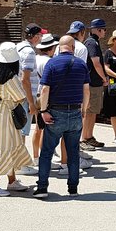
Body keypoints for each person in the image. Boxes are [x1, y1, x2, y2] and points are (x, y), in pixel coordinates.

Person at [35, 36, 90, 198]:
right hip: (74, 112)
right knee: (73, 152)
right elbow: (86, 90)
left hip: (55, 112)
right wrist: (84, 110)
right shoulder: (81, 64)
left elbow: (45, 89)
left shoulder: (52, 63)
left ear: (59, 47)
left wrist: (44, 110)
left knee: (46, 152)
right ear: (72, 47)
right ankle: (73, 188)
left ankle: (42, 188)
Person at [0, 42, 33, 196]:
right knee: (4, 147)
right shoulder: (11, 78)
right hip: (7, 115)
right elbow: (20, 97)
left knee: (6, 146)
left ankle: (12, 181)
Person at [54, 21, 93, 171]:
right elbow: (80, 72)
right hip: (75, 90)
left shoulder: (59, 46)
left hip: (58, 90)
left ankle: (63, 157)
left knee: (61, 127)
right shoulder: (82, 48)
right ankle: (73, 157)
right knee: (74, 127)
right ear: (82, 32)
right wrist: (85, 100)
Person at [15, 23, 45, 174]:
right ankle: (20, 165)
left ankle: (18, 162)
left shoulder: (18, 47)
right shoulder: (29, 52)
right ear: (34, 36)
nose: (41, 37)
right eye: (40, 35)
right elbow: (25, 79)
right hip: (25, 96)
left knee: (18, 131)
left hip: (16, 95)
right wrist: (32, 103)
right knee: (22, 131)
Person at [80, 18, 109, 151]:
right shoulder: (92, 43)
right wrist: (104, 78)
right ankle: (84, 139)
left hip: (94, 82)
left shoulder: (93, 42)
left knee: (93, 111)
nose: (105, 32)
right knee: (89, 111)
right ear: (98, 30)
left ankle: (89, 136)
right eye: (104, 29)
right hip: (92, 82)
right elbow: (96, 63)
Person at [33, 33, 59, 169]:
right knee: (47, 129)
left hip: (35, 94)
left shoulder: (34, 59)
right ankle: (45, 159)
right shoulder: (49, 62)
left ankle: (36, 157)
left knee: (38, 128)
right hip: (45, 96)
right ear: (51, 48)